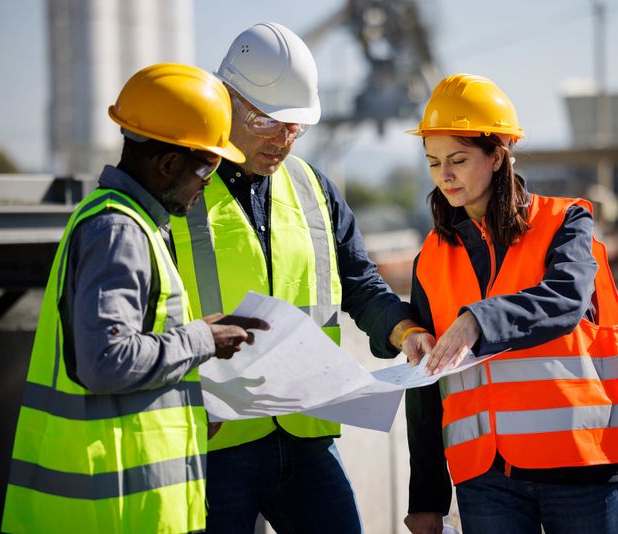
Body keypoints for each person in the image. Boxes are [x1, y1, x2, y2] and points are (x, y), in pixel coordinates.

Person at [169, 22, 427, 534]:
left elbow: (359, 280)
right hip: (212, 443)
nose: (283, 140)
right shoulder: (177, 191)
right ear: (227, 100)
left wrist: (403, 331)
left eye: (296, 126)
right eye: (268, 121)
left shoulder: (314, 188)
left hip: (305, 435)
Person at [0, 63, 269, 533]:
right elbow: (106, 360)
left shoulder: (123, 221)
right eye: (207, 164)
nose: (211, 180)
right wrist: (201, 339)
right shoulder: (118, 230)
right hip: (109, 517)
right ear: (167, 163)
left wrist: (187, 405)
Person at [401, 74, 618, 534]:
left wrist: (478, 321)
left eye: (458, 159)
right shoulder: (431, 259)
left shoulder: (565, 222)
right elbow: (425, 388)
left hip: (584, 465)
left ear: (498, 155)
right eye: (434, 162)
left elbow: (565, 298)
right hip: (487, 479)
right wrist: (427, 499)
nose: (445, 176)